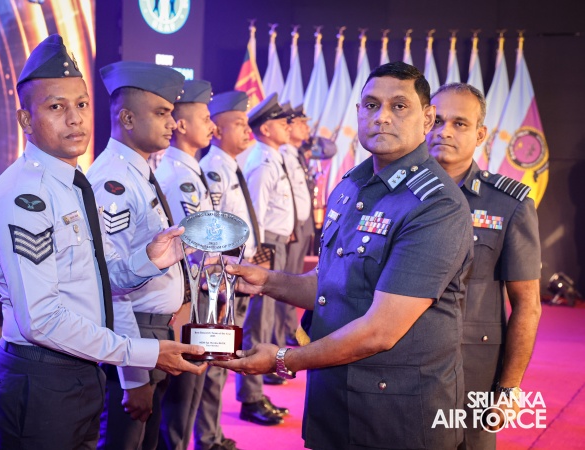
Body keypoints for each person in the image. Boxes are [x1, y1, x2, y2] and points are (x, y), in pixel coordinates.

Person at [215, 62, 474, 449]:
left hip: (396, 417)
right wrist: (266, 281)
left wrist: (284, 359)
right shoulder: (352, 185)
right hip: (333, 402)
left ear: (427, 118)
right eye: (371, 105)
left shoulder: (435, 205)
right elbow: (330, 286)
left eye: (399, 106)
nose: (381, 117)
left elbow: (381, 330)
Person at [0, 35, 206, 449]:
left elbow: (93, 284)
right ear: (25, 120)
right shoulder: (26, 196)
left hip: (78, 369)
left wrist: (148, 260)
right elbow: (41, 320)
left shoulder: (71, 182)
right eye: (56, 107)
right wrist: (141, 354)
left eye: (81, 105)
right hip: (41, 375)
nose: (75, 119)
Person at [427, 83, 542, 449]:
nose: (444, 131)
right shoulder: (396, 193)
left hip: (471, 369)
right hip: (395, 366)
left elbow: (527, 304)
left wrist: (509, 388)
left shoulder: (509, 203)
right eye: (437, 120)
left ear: (480, 135)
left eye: (459, 123)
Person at [88, 61, 188, 450]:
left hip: (152, 331)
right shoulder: (112, 181)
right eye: (162, 113)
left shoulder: (137, 171)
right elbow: (111, 286)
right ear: (127, 118)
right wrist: (134, 378)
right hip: (133, 336)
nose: (172, 123)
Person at [155, 80, 217, 450]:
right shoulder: (178, 175)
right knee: (181, 392)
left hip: (199, 289)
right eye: (205, 118)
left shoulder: (188, 170)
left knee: (193, 386)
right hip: (188, 293)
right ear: (181, 125)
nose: (212, 126)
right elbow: (192, 241)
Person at [196, 90, 256, 450]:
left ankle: (212, 433)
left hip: (236, 274)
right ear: (217, 130)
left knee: (224, 357)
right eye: (238, 124)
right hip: (220, 280)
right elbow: (214, 232)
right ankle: (207, 437)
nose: (248, 131)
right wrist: (220, 285)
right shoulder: (214, 170)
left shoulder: (230, 165)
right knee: (216, 360)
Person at [233, 93, 294, 426]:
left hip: (276, 243)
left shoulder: (273, 157)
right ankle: (250, 396)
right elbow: (254, 216)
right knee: (257, 322)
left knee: (267, 321)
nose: (288, 126)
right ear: (267, 129)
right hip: (265, 245)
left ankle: (258, 388)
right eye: (282, 122)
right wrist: (260, 258)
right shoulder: (261, 161)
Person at [275, 104, 315, 349]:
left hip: (301, 223)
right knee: (287, 280)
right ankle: (284, 331)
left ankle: (288, 329)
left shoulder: (297, 154)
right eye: (300, 123)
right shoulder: (282, 155)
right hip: (289, 226)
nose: (306, 128)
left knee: (294, 277)